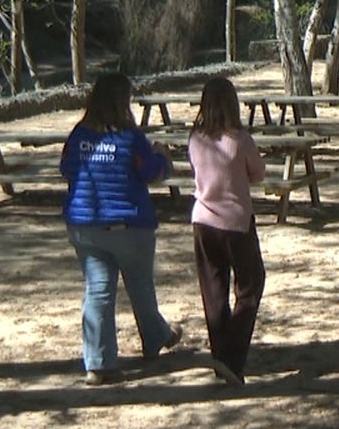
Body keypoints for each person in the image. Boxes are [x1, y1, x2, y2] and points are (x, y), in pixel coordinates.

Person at [60, 72, 183, 386]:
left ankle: (100, 363)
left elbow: (66, 169)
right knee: (140, 285)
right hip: (129, 224)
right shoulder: (130, 137)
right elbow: (151, 174)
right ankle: (155, 339)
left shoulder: (78, 135)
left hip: (86, 225)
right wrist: (163, 156)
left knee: (98, 292)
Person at [187, 76, 267, 387]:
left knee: (214, 291)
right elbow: (257, 174)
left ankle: (221, 354)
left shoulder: (196, 139)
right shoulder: (240, 140)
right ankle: (232, 358)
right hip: (236, 223)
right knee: (250, 285)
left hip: (203, 221)